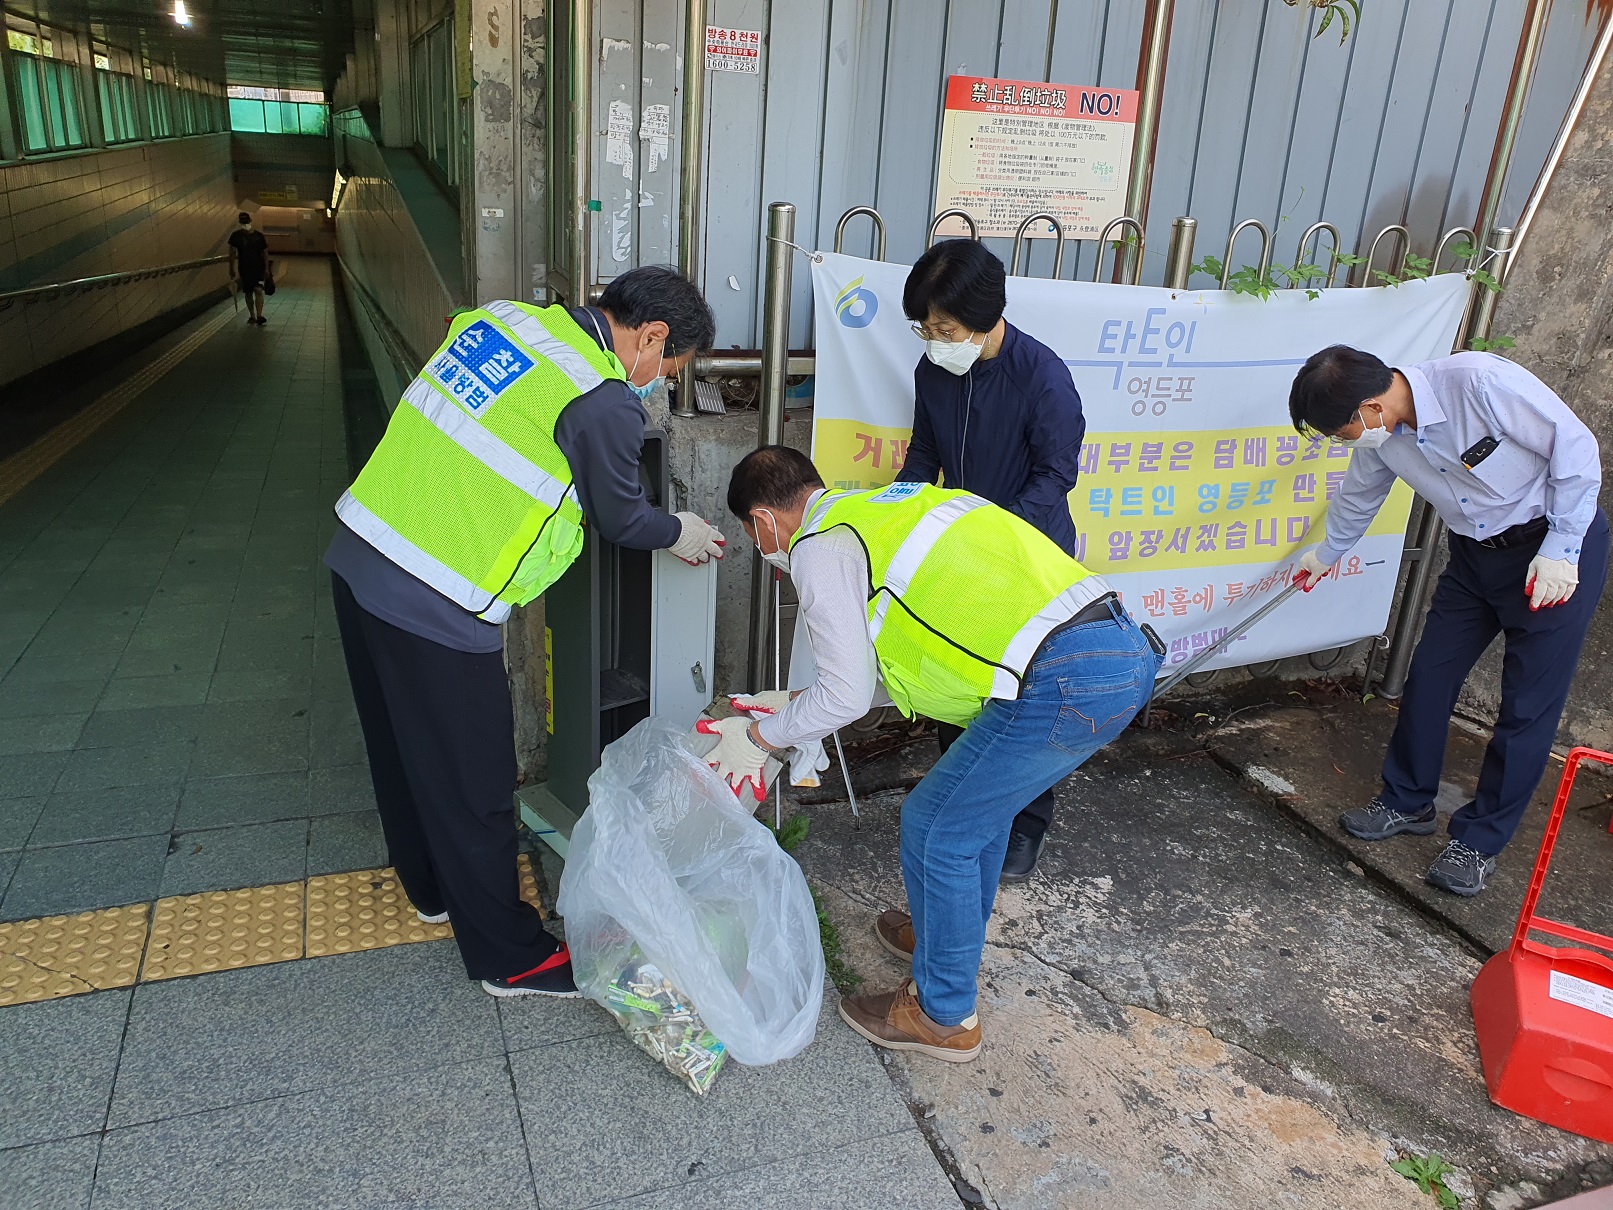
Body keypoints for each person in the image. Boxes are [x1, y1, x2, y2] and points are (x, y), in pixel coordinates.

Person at [324, 266, 728, 997]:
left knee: (401, 748)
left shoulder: (503, 321)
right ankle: (509, 958)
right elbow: (620, 515)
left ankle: (430, 890)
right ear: (650, 335)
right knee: (475, 784)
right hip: (436, 597)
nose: (658, 383)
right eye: (666, 368)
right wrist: (681, 531)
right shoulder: (601, 402)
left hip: (360, 554)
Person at [712, 446, 1159, 1062]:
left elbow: (843, 697)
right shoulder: (890, 506)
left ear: (763, 521)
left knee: (936, 827)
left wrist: (761, 737)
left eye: (751, 536)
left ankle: (943, 1014)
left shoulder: (820, 546)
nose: (763, 550)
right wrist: (792, 704)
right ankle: (945, 932)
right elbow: (873, 663)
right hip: (1116, 649)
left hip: (1062, 678)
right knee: (978, 815)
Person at [1289, 346, 1605, 896]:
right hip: (1475, 556)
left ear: (1369, 406)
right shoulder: (1382, 437)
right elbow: (1360, 497)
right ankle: (1406, 801)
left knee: (1527, 706)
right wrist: (1327, 552)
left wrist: (1564, 545)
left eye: (1340, 430)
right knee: (1429, 677)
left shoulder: (1478, 382)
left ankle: (1479, 842)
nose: (1344, 441)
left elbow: (1575, 447)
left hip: (1548, 555)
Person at [892, 239, 1087, 881]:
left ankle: (1027, 823)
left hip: (1030, 556)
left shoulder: (1043, 375)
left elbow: (1057, 473)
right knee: (962, 685)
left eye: (943, 328)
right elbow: (923, 458)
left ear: (986, 316)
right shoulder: (934, 372)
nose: (933, 339)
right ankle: (968, 807)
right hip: (963, 552)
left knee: (1025, 698)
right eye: (924, 328)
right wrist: (895, 509)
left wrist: (996, 529)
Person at [227, 211, 270, 326]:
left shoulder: (259, 236)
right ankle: (252, 315)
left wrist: (266, 269)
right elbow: (231, 253)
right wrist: (231, 268)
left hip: (259, 269)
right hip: (245, 269)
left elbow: (265, 252)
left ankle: (259, 315)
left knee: (258, 290)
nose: (245, 223)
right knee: (248, 292)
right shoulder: (236, 236)